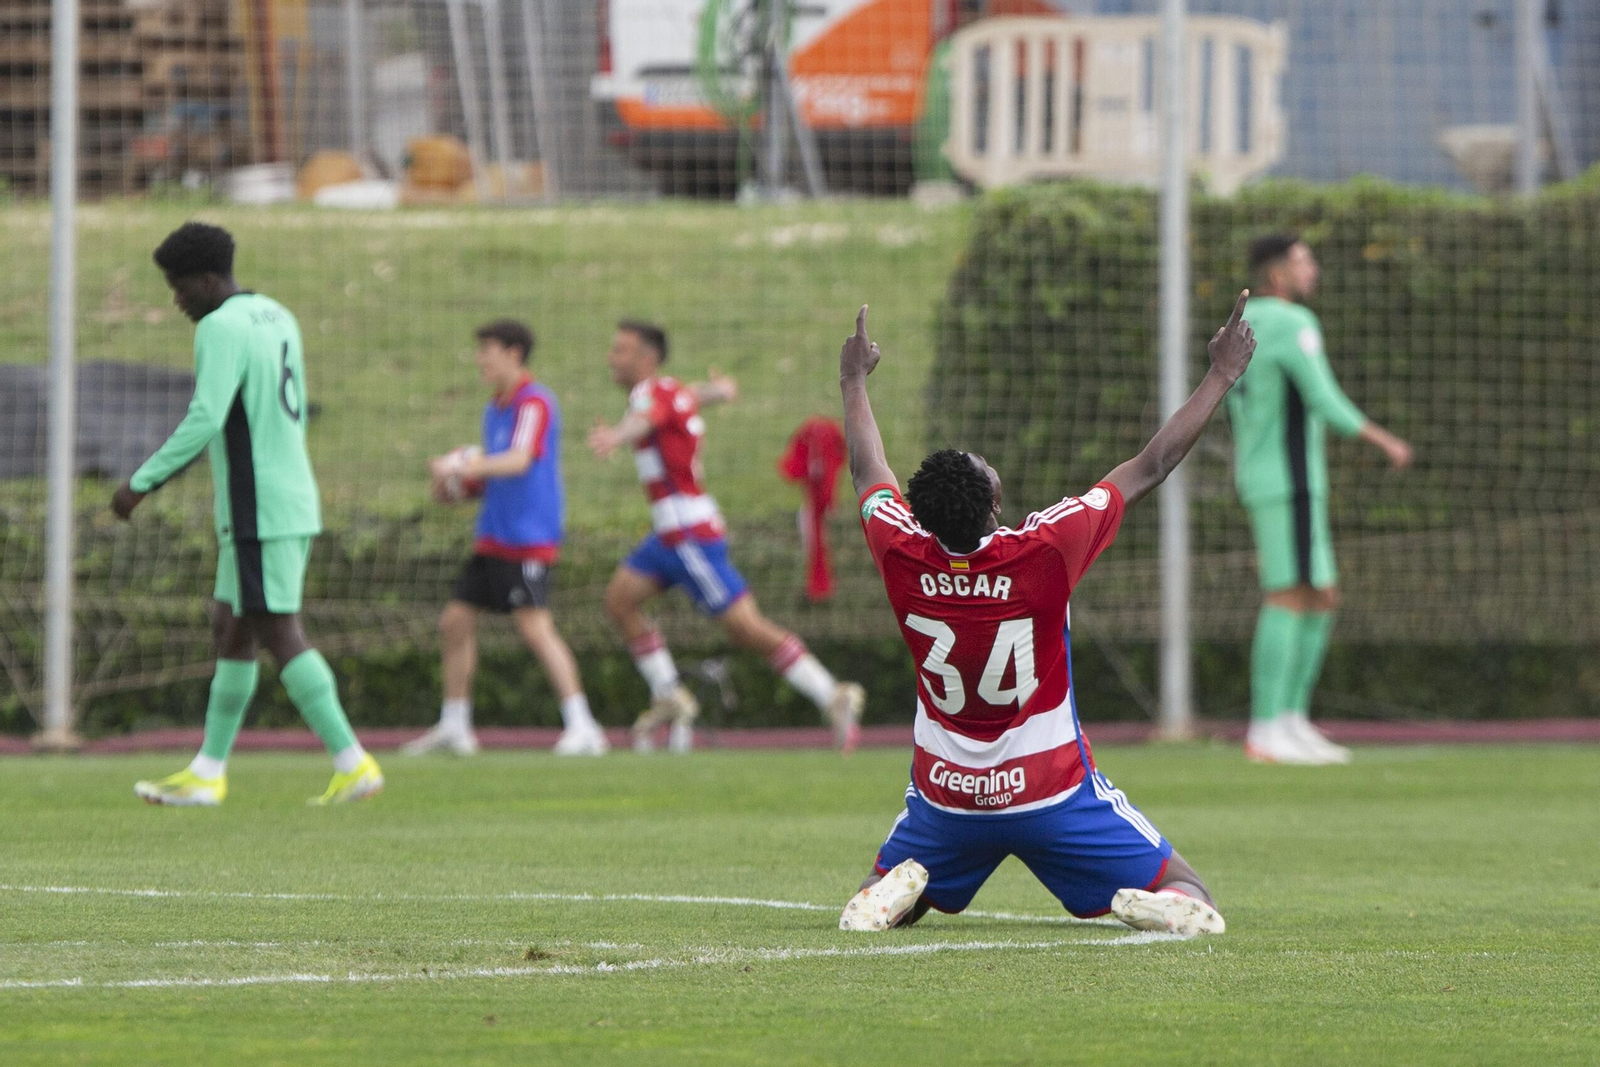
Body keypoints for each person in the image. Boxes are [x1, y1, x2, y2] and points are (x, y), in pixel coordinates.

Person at [835, 297, 1256, 937]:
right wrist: (1221, 374)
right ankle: (1148, 899)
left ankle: (892, 892)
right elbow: (1151, 465)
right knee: (1189, 887)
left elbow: (868, 468)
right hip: (1051, 789)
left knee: (890, 881)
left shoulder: (900, 547)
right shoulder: (1044, 549)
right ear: (994, 505)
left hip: (947, 795)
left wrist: (853, 381)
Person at [114, 222, 382, 806]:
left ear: (209, 281)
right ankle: (208, 772)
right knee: (230, 624)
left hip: (259, 505)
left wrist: (141, 482)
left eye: (181, 286)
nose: (177, 299)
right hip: (284, 495)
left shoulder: (220, 325)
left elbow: (207, 415)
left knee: (276, 627)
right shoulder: (275, 314)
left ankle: (351, 759)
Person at [588, 320, 865, 753]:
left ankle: (832, 694)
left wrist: (615, 436)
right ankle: (670, 695)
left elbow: (648, 420)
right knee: (620, 600)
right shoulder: (671, 389)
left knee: (746, 628)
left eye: (620, 350)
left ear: (647, 358)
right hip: (671, 534)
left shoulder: (648, 396)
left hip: (688, 536)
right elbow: (689, 397)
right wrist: (721, 391)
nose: (611, 357)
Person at [1228, 235, 1413, 765]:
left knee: (1322, 595)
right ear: (1277, 272)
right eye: (1305, 260)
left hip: (1278, 478)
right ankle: (1266, 729)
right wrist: (1385, 441)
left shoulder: (1244, 322)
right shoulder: (1291, 323)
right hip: (1288, 481)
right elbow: (1324, 399)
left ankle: (1291, 720)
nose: (1314, 269)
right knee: (1289, 594)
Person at [403, 320, 607, 758]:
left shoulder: (535, 402)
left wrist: (460, 467)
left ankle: (583, 725)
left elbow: (517, 461)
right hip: (494, 535)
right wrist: (458, 491)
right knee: (454, 623)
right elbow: (496, 473)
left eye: (488, 350)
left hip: (528, 538)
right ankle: (455, 726)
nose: (481, 359)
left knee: (535, 627)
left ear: (514, 353)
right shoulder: (494, 407)